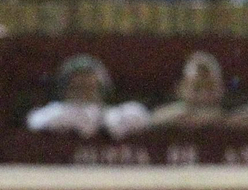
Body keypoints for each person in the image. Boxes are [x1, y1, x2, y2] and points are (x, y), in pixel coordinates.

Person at [25, 54, 153, 139]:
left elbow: (143, 120)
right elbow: (36, 123)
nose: (84, 84)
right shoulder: (49, 114)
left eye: (89, 80)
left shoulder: (125, 112)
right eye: (78, 80)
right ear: (66, 87)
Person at [148, 51, 248, 128]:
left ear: (222, 87)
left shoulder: (229, 113)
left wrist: (222, 121)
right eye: (197, 87)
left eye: (210, 87)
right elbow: (153, 119)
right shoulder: (172, 114)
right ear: (181, 89)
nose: (204, 94)